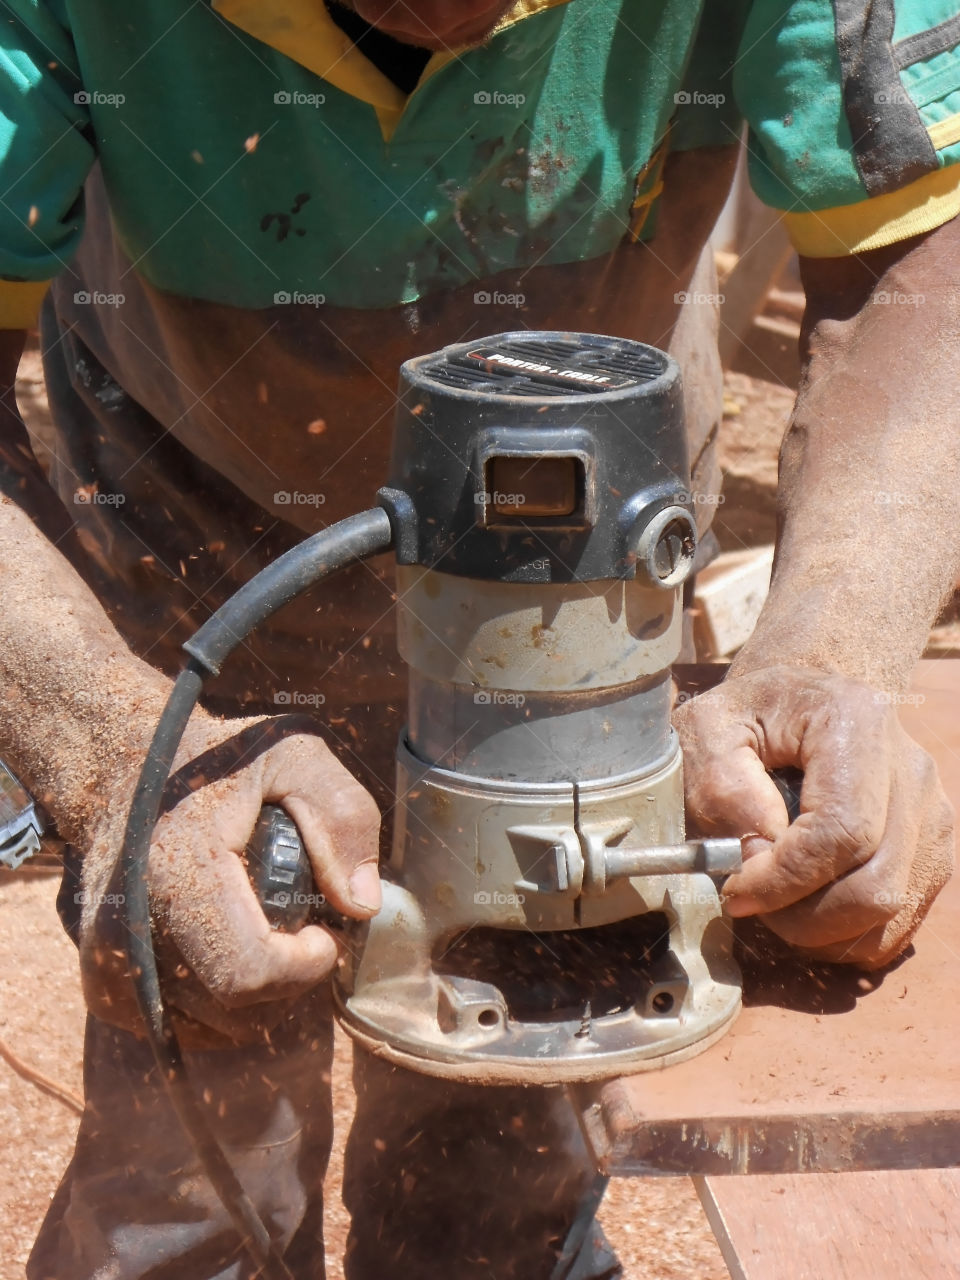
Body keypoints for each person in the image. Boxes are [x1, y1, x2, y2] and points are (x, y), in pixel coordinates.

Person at [1, 0, 957, 1275]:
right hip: (195, 557)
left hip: (600, 586)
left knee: (509, 1133)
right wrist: (109, 734)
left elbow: (921, 252)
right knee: (192, 1105)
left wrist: (832, 643)